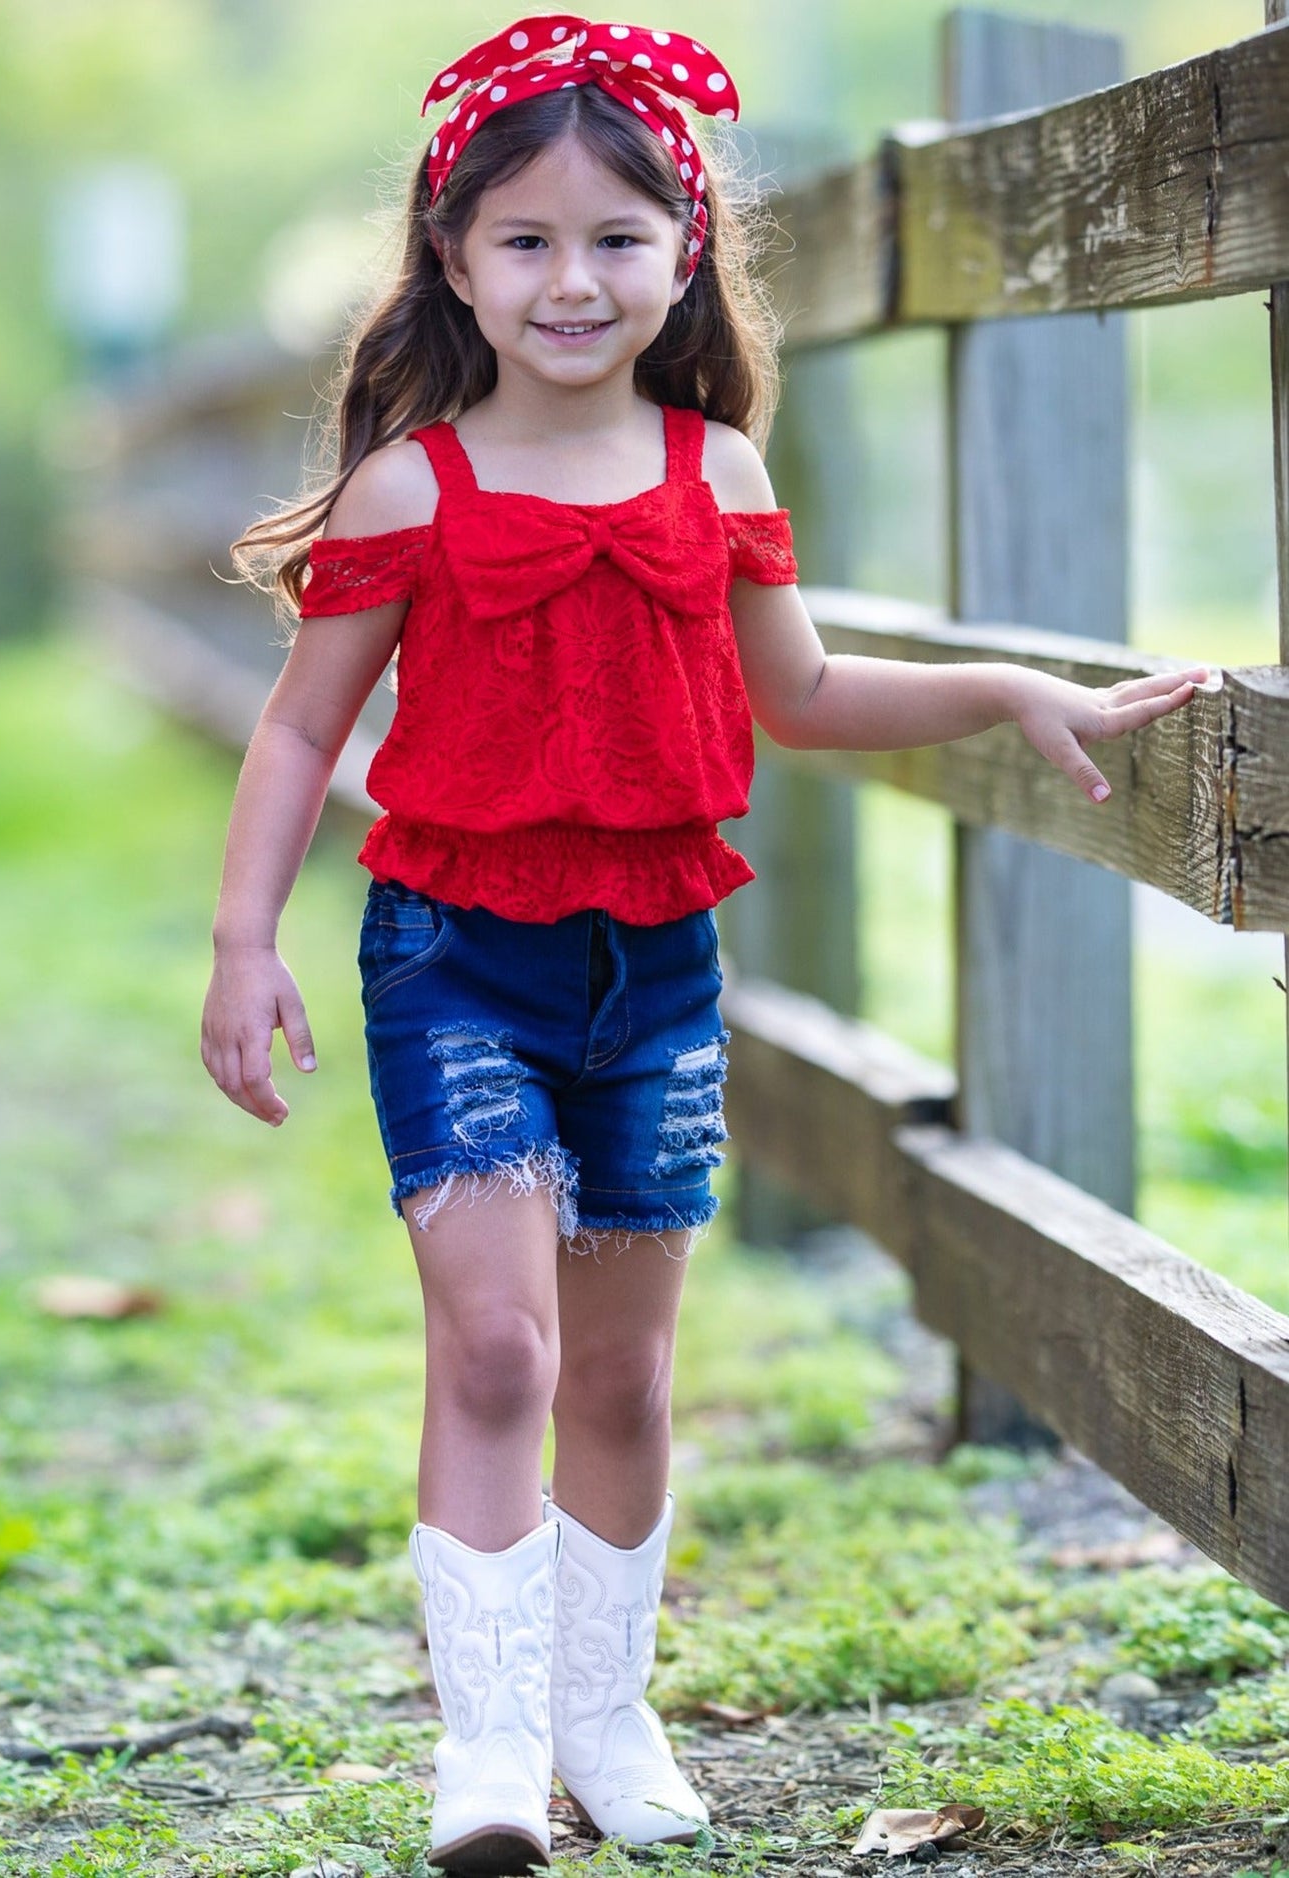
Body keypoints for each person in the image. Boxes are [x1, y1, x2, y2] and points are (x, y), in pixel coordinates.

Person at [201, 16, 1207, 1874]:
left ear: (685, 260)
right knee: (495, 1347)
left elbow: (803, 697)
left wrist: (1004, 684)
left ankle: (606, 1706)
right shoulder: (413, 488)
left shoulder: (718, 475)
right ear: (451, 255)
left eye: (613, 237)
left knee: (624, 1373)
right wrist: (243, 941)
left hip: (657, 964)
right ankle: (488, 1754)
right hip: (457, 953)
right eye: (523, 239)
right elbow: (293, 727)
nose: (569, 278)